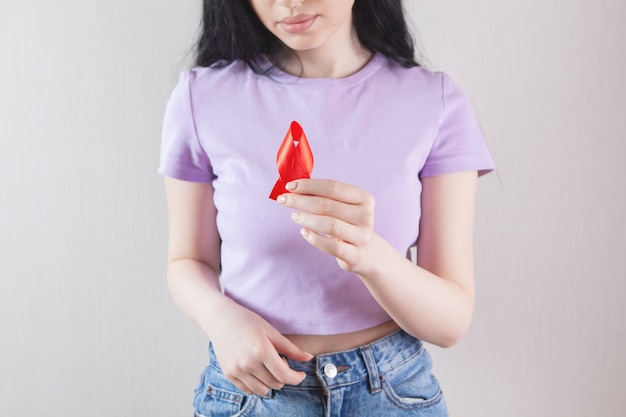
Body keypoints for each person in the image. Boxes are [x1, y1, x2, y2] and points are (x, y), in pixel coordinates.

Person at [159, 0, 495, 415]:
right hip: (255, 393)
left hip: (393, 394)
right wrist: (221, 319)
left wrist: (371, 258)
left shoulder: (436, 102)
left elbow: (451, 321)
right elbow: (187, 260)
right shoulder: (201, 98)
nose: (288, 3)